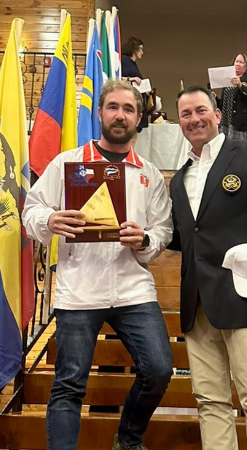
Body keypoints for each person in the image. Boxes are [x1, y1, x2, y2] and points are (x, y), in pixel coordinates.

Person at [22, 80, 173, 450]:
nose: (120, 115)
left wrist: (146, 240)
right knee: (69, 383)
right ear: (101, 113)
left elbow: (163, 229)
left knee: (158, 369)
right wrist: (49, 220)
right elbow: (32, 209)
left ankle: (127, 440)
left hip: (133, 289)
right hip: (79, 291)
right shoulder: (68, 163)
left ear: (139, 118)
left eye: (129, 109)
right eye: (113, 107)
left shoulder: (150, 174)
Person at [168, 86, 247, 450]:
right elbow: (184, 237)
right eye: (186, 114)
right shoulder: (179, 178)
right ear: (179, 123)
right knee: (210, 401)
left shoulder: (243, 155)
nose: (194, 119)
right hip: (197, 303)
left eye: (201, 110)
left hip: (242, 296)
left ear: (217, 115)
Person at [121, 37, 150, 133]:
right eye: (140, 49)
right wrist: (131, 79)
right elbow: (117, 77)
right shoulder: (124, 61)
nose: (142, 52)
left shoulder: (133, 64)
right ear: (134, 49)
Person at [217, 53, 247, 140]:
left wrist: (240, 85)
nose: (238, 64)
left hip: (241, 124)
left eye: (241, 62)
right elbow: (223, 103)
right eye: (236, 61)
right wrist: (214, 98)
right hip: (226, 122)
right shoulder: (228, 79)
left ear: (246, 66)